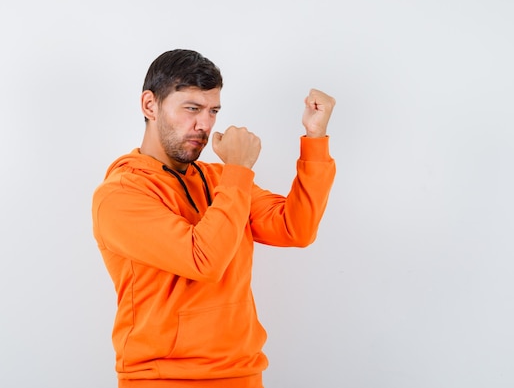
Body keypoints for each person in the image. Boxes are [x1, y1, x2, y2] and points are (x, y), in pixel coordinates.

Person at [91, 49, 336, 388]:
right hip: (163, 380)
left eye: (213, 111)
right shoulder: (119, 196)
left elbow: (296, 228)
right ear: (150, 105)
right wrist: (238, 170)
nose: (204, 124)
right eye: (191, 108)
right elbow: (204, 260)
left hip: (243, 375)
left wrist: (315, 138)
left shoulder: (222, 180)